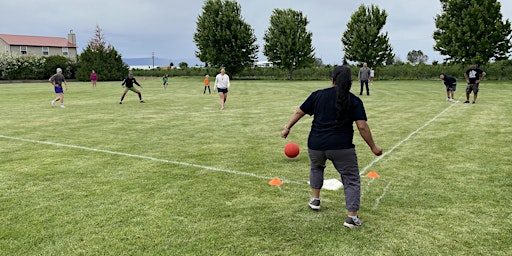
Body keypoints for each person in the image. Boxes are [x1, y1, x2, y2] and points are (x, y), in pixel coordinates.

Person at [281, 65, 382, 228]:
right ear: (349, 82)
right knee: (351, 179)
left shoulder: (318, 95)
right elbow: (362, 126)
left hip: (316, 144)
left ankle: (315, 199)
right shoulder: (354, 100)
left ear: (332, 79)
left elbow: (299, 112)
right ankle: (351, 217)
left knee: (316, 167)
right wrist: (373, 147)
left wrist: (287, 127)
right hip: (341, 147)